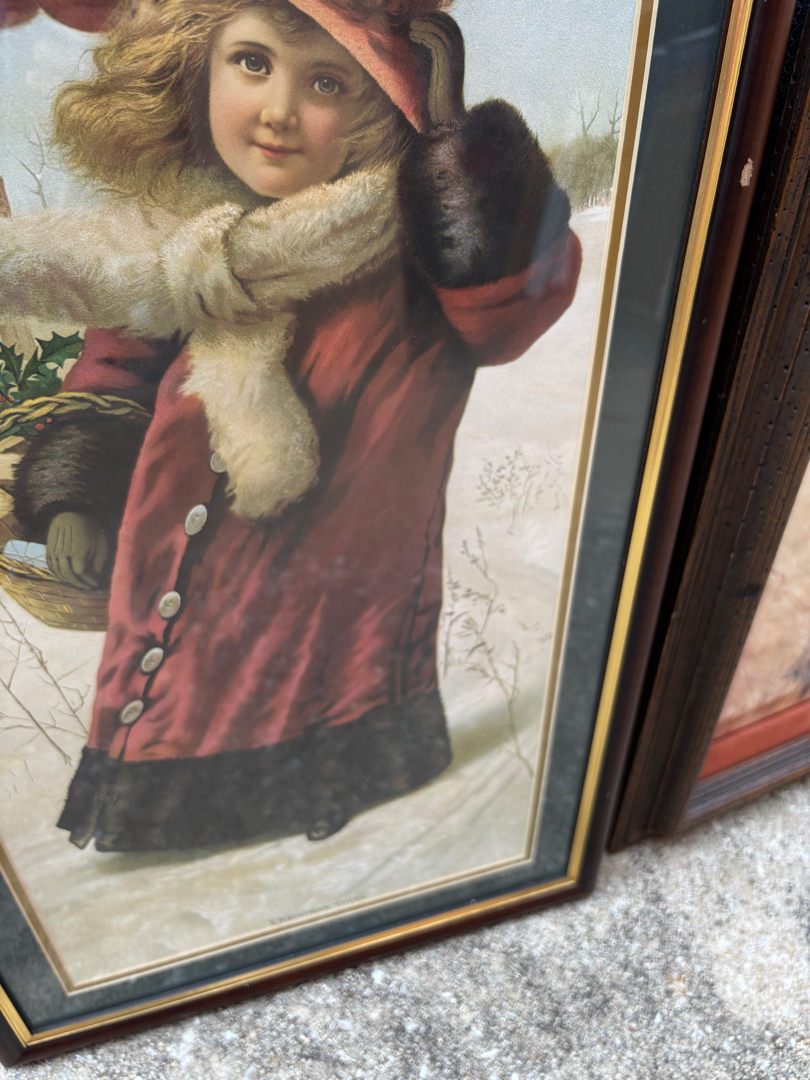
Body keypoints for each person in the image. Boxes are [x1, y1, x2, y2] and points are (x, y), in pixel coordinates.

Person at [0, 0, 581, 851]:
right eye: (251, 62)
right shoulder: (181, 246)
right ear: (195, 67)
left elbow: (510, 307)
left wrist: (469, 178)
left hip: (332, 653)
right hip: (166, 627)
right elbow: (119, 371)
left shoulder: (410, 238)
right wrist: (74, 499)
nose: (277, 111)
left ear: (381, 104)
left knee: (296, 851)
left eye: (326, 83)